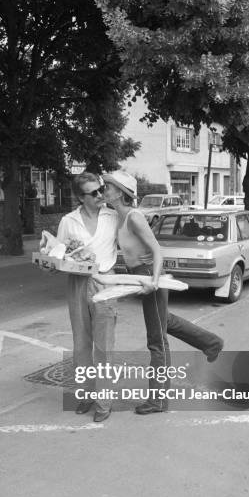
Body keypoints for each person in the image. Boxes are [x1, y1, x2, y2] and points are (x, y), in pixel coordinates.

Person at [101, 170, 224, 415]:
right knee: (164, 321)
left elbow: (157, 251)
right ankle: (212, 343)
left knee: (156, 340)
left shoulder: (134, 217)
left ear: (121, 192)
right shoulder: (118, 216)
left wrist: (154, 281)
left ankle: (158, 399)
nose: (104, 189)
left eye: (109, 186)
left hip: (150, 274)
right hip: (140, 275)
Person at [57, 172, 118, 423]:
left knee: (104, 346)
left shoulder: (113, 216)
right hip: (78, 283)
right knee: (81, 343)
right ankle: (85, 396)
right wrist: (54, 263)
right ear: (80, 197)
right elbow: (58, 253)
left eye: (100, 190)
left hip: (105, 282)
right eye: (93, 193)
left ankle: (104, 402)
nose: (100, 195)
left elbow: (132, 241)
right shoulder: (68, 221)